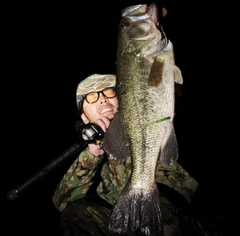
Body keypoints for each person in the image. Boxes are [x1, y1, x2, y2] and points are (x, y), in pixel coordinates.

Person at [52, 74, 210, 236]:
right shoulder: (91, 156)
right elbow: (62, 202)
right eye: (91, 97)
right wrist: (94, 152)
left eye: (110, 92)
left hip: (177, 218)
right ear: (84, 117)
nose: (103, 99)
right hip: (124, 226)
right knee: (75, 213)